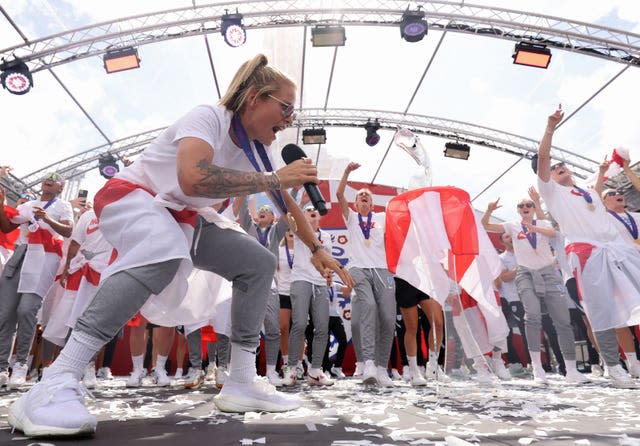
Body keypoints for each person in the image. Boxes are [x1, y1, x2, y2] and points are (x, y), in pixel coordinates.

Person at [9, 54, 352, 437]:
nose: (290, 119)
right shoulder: (208, 116)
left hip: (181, 216)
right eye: (285, 107)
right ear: (254, 97)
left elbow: (285, 203)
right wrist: (272, 178)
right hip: (134, 197)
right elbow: (192, 179)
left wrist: (317, 248)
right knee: (164, 244)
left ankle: (240, 379)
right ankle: (53, 382)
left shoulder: (257, 150)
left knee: (256, 262)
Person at [536, 105, 640, 388]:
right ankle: (613, 366)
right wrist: (550, 128)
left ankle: (628, 362)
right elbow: (543, 157)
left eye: (562, 166)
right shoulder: (552, 192)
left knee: (630, 302)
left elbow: (594, 200)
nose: (559, 168)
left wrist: (600, 172)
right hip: (585, 252)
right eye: (555, 170)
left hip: (618, 251)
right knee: (601, 308)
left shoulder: (583, 190)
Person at [482, 194, 586, 384]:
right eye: (521, 205)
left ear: (533, 207)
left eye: (528, 204)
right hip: (525, 273)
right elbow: (485, 225)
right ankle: (537, 368)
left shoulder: (543, 224)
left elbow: (554, 234)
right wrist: (489, 210)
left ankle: (571, 369)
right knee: (532, 316)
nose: (525, 207)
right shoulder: (512, 225)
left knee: (562, 320)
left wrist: (533, 224)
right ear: (517, 210)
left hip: (547, 273)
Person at [0, 173, 73, 388]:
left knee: (26, 310)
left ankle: (21, 364)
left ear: (60, 188)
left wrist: (47, 219)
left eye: (55, 178)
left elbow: (69, 230)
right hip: (20, 256)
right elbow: (6, 227)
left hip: (44, 258)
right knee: (5, 313)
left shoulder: (62, 205)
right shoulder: (28, 205)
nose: (49, 179)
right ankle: (2, 367)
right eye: (46, 178)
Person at [336, 162, 396, 387]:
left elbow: (400, 217)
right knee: (368, 306)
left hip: (382, 270)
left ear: (371, 203)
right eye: (360, 196)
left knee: (389, 317)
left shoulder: (380, 219)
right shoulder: (350, 217)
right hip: (358, 268)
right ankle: (368, 363)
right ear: (355, 202)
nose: (363, 197)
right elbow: (339, 193)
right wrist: (347, 172)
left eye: (367, 196)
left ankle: (382, 368)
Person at [282, 205, 335, 386]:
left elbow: (328, 260)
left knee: (321, 327)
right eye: (307, 209)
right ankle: (291, 368)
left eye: (315, 209)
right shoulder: (297, 230)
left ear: (319, 215)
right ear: (303, 215)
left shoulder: (327, 237)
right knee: (299, 324)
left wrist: (328, 273)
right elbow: (287, 215)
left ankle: (315, 370)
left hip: (320, 283)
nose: (312, 210)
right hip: (300, 279)